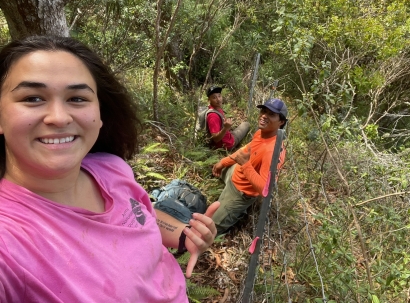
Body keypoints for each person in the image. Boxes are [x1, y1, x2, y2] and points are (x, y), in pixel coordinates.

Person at [0, 35, 219, 302]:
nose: (59, 117)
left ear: (100, 113)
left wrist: (185, 235)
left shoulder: (111, 168)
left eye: (77, 98)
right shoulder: (9, 242)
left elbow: (140, 217)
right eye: (33, 98)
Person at [211, 98, 287, 235]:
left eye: (271, 114)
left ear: (281, 122)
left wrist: (245, 165)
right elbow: (244, 151)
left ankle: (237, 212)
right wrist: (223, 162)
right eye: (264, 111)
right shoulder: (261, 133)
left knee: (209, 229)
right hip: (235, 172)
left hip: (240, 192)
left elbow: (265, 190)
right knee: (213, 168)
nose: (264, 115)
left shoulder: (273, 151)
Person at [205, 85, 250, 151]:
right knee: (246, 124)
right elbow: (215, 138)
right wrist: (226, 128)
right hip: (227, 145)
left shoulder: (216, 108)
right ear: (209, 100)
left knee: (238, 127)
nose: (218, 99)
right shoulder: (213, 116)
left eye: (219, 96)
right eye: (214, 97)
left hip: (226, 136)